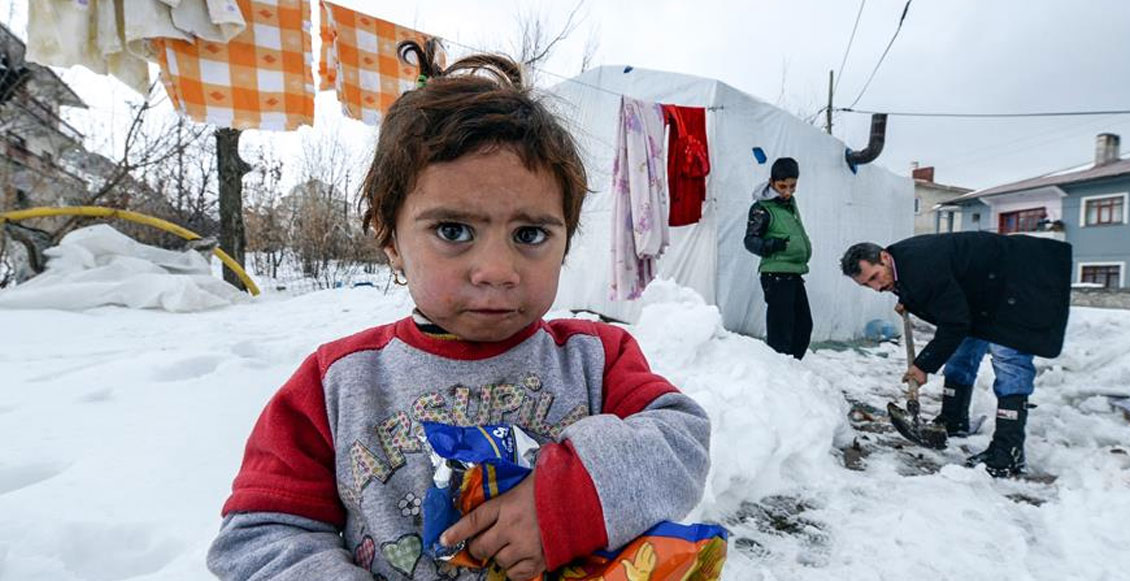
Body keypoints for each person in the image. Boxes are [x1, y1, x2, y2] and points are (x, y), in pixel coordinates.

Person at [207, 43, 711, 581]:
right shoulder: (337, 385)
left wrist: (567, 504)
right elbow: (260, 538)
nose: (496, 269)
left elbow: (682, 443)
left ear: (565, 240)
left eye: (530, 234)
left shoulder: (595, 360)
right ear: (391, 238)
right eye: (453, 231)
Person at [839, 232, 1071, 477]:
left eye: (875, 277)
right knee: (963, 351)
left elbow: (953, 322)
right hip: (984, 295)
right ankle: (954, 419)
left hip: (1019, 283)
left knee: (1009, 359)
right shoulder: (900, 262)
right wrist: (909, 297)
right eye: (867, 284)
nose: (876, 288)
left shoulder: (921, 265)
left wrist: (923, 365)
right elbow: (940, 296)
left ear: (884, 257)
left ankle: (1008, 451)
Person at [743, 157, 814, 361]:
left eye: (792, 186)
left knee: (803, 326)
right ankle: (778, 373)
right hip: (775, 274)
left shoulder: (789, 204)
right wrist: (770, 245)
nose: (787, 191)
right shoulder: (762, 208)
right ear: (772, 182)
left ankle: (792, 368)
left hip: (794, 273)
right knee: (781, 330)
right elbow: (749, 240)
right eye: (782, 186)